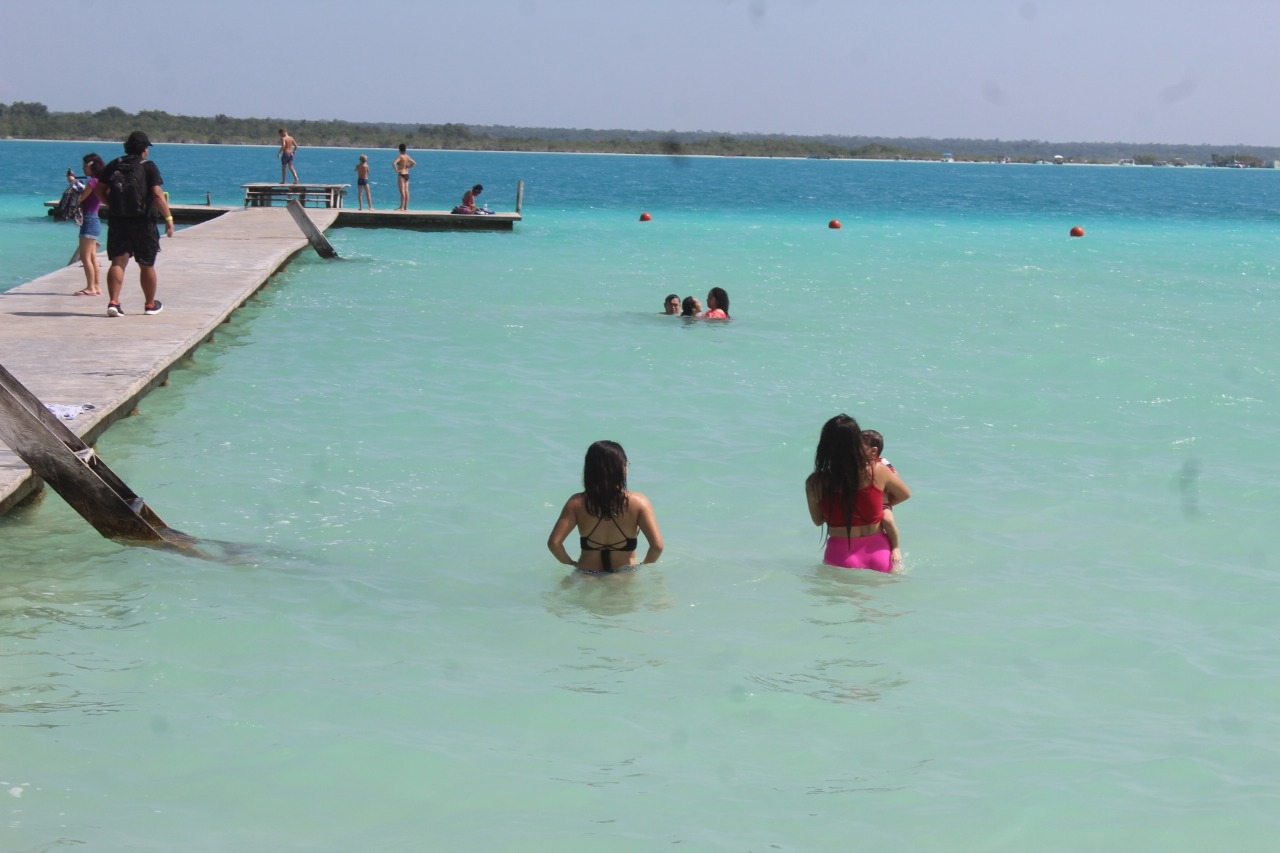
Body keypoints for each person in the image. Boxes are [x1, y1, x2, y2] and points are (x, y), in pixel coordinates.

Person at [805, 414, 910, 573]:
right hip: (879, 552)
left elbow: (818, 520)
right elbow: (904, 494)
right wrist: (878, 505)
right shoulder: (878, 470)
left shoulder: (815, 482)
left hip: (840, 554)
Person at [547, 440, 664, 575]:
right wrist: (642, 567)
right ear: (620, 468)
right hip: (623, 574)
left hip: (587, 572)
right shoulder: (639, 502)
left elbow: (554, 544)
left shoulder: (576, 503)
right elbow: (657, 546)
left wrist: (572, 564)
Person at [99, 130, 174, 317]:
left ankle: (114, 302)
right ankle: (150, 304)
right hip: (144, 222)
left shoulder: (115, 164)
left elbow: (98, 188)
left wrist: (110, 203)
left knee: (118, 262)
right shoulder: (148, 166)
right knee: (146, 264)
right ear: (144, 150)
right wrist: (168, 218)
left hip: (118, 220)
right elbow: (157, 194)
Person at [862, 428, 904, 569]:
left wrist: (888, 498)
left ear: (874, 451)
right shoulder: (860, 466)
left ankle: (896, 547)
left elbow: (896, 479)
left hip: (883, 502)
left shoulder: (883, 464)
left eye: (859, 447)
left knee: (887, 519)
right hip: (870, 503)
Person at [72, 153, 106, 297]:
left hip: (89, 220)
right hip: (95, 219)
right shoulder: (99, 181)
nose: (83, 169)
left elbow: (81, 198)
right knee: (93, 257)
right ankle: (96, 286)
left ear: (91, 166)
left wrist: (73, 185)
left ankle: (90, 287)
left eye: (84, 166)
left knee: (85, 257)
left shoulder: (92, 182)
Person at [393, 144, 416, 210]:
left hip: (401, 174)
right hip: (407, 174)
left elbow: (394, 163)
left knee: (402, 191)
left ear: (399, 149)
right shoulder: (407, 156)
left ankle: (401, 207)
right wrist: (408, 167)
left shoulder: (400, 156)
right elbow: (414, 163)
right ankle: (406, 207)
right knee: (406, 191)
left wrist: (396, 170)